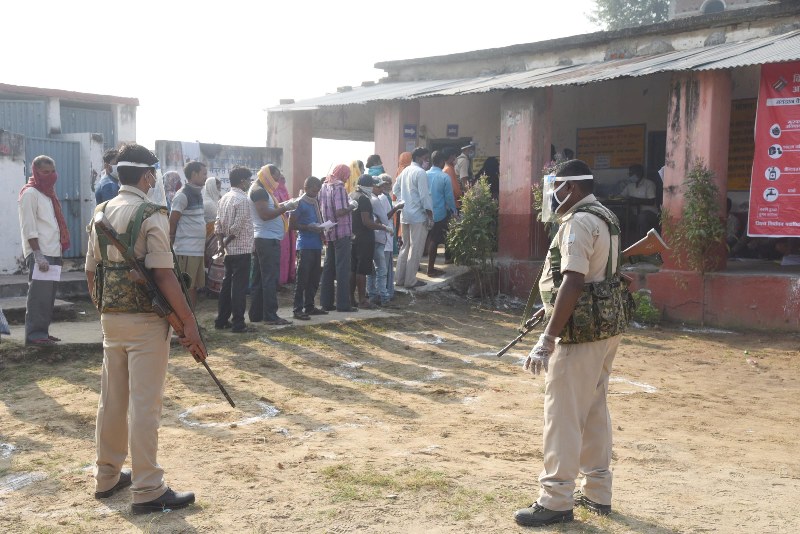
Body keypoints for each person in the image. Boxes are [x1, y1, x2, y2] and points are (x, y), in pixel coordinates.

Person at [85, 143, 203, 515]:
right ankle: (149, 488)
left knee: (112, 400)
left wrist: (106, 309)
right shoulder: (151, 213)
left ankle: (107, 476)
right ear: (147, 176)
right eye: (153, 174)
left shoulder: (101, 211)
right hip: (147, 323)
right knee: (144, 406)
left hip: (111, 319)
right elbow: (164, 276)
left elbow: (91, 271)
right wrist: (189, 323)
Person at [514, 159, 626, 527]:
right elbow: (598, 274)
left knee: (562, 415)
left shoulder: (577, 222)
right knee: (593, 410)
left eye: (557, 187)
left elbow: (574, 281)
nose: (553, 194)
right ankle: (597, 492)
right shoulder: (605, 215)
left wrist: (548, 337)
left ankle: (556, 499)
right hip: (604, 327)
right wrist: (550, 310)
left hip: (579, 334)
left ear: (572, 187)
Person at [17, 155, 69, 346]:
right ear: (36, 172)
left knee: (48, 297)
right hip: (41, 252)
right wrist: (38, 254)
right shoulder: (30, 193)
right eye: (45, 172)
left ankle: (43, 332)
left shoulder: (48, 194)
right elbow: (28, 226)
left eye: (52, 172)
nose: (50, 175)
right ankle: (34, 335)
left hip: (53, 251)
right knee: (38, 296)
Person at [248, 164, 298, 326]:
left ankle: (256, 314)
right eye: (275, 177)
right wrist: (285, 208)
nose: (277, 181)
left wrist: (287, 204)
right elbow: (264, 214)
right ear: (268, 175)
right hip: (266, 240)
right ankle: (270, 316)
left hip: (265, 239)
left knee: (259, 278)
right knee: (270, 279)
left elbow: (270, 208)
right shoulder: (259, 191)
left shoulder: (263, 190)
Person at [214, 166, 254, 333]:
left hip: (229, 250)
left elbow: (218, 224)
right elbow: (236, 228)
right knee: (238, 288)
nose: (250, 183)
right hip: (240, 249)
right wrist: (225, 243)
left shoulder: (224, 198)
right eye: (249, 180)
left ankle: (222, 320)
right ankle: (238, 323)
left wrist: (221, 244)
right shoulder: (242, 199)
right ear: (242, 181)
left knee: (227, 285)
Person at [393, 147, 433, 289]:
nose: (427, 161)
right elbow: (424, 196)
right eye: (426, 158)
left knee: (405, 248)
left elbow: (395, 189)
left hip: (405, 214)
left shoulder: (405, 171)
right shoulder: (420, 172)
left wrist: (403, 201)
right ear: (419, 158)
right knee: (415, 249)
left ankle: (399, 279)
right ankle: (410, 281)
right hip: (418, 216)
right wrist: (430, 215)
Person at [169, 161, 208, 308]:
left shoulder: (198, 193)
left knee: (193, 287)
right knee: (185, 286)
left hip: (197, 250)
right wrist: (171, 244)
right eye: (204, 173)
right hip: (186, 250)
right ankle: (183, 319)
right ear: (194, 174)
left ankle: (191, 318)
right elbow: (172, 222)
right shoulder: (182, 195)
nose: (206, 177)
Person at [350, 174, 392, 309]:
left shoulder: (352, 195)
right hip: (364, 238)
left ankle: (351, 299)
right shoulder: (364, 199)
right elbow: (367, 222)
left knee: (353, 269)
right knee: (362, 270)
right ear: (369, 186)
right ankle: (362, 300)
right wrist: (384, 227)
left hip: (353, 237)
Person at [289, 176, 328, 320]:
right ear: (306, 188)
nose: (315, 193)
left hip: (316, 244)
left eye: (317, 191)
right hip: (305, 245)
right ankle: (297, 309)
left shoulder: (315, 202)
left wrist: (323, 228)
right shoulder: (299, 203)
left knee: (314, 278)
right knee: (302, 279)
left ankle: (310, 306)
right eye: (313, 191)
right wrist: (308, 227)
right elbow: (292, 225)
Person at [319, 164, 357, 312]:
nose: (347, 179)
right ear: (342, 174)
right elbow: (340, 211)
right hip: (342, 231)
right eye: (347, 175)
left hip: (329, 231)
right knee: (343, 269)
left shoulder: (324, 185)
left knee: (329, 268)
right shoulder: (339, 187)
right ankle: (343, 304)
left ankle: (326, 302)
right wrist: (352, 206)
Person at [369, 174, 401, 304]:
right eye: (380, 186)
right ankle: (383, 297)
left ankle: (374, 295)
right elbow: (383, 218)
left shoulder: (374, 198)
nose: (383, 188)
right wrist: (396, 208)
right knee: (381, 270)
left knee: (375, 270)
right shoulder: (377, 199)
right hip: (379, 238)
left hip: (378, 238)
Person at [426, 150, 457, 277]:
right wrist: (454, 211)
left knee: (425, 240)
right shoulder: (444, 177)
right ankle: (431, 269)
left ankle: (417, 268)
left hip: (424, 213)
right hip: (439, 213)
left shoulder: (424, 174)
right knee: (435, 240)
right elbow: (449, 197)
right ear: (441, 162)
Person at [620, 163, 658, 242]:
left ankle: (643, 241)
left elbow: (651, 201)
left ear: (639, 173)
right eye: (629, 173)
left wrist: (635, 199)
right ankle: (624, 242)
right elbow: (621, 197)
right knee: (620, 215)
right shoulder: (630, 186)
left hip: (649, 212)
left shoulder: (649, 184)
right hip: (633, 213)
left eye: (632, 173)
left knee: (642, 217)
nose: (630, 175)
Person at [272, 168, 297, 286]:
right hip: (277, 227)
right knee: (281, 253)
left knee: (287, 252)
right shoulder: (272, 192)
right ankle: (279, 279)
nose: (283, 181)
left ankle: (287, 276)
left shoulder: (284, 191)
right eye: (281, 179)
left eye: (283, 179)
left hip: (286, 227)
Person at [203, 176, 224, 296]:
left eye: (220, 188)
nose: (219, 190)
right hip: (211, 235)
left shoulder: (216, 199)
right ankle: (213, 289)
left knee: (216, 261)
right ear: (211, 187)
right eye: (217, 188)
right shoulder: (208, 203)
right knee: (216, 260)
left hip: (216, 234)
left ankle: (216, 287)